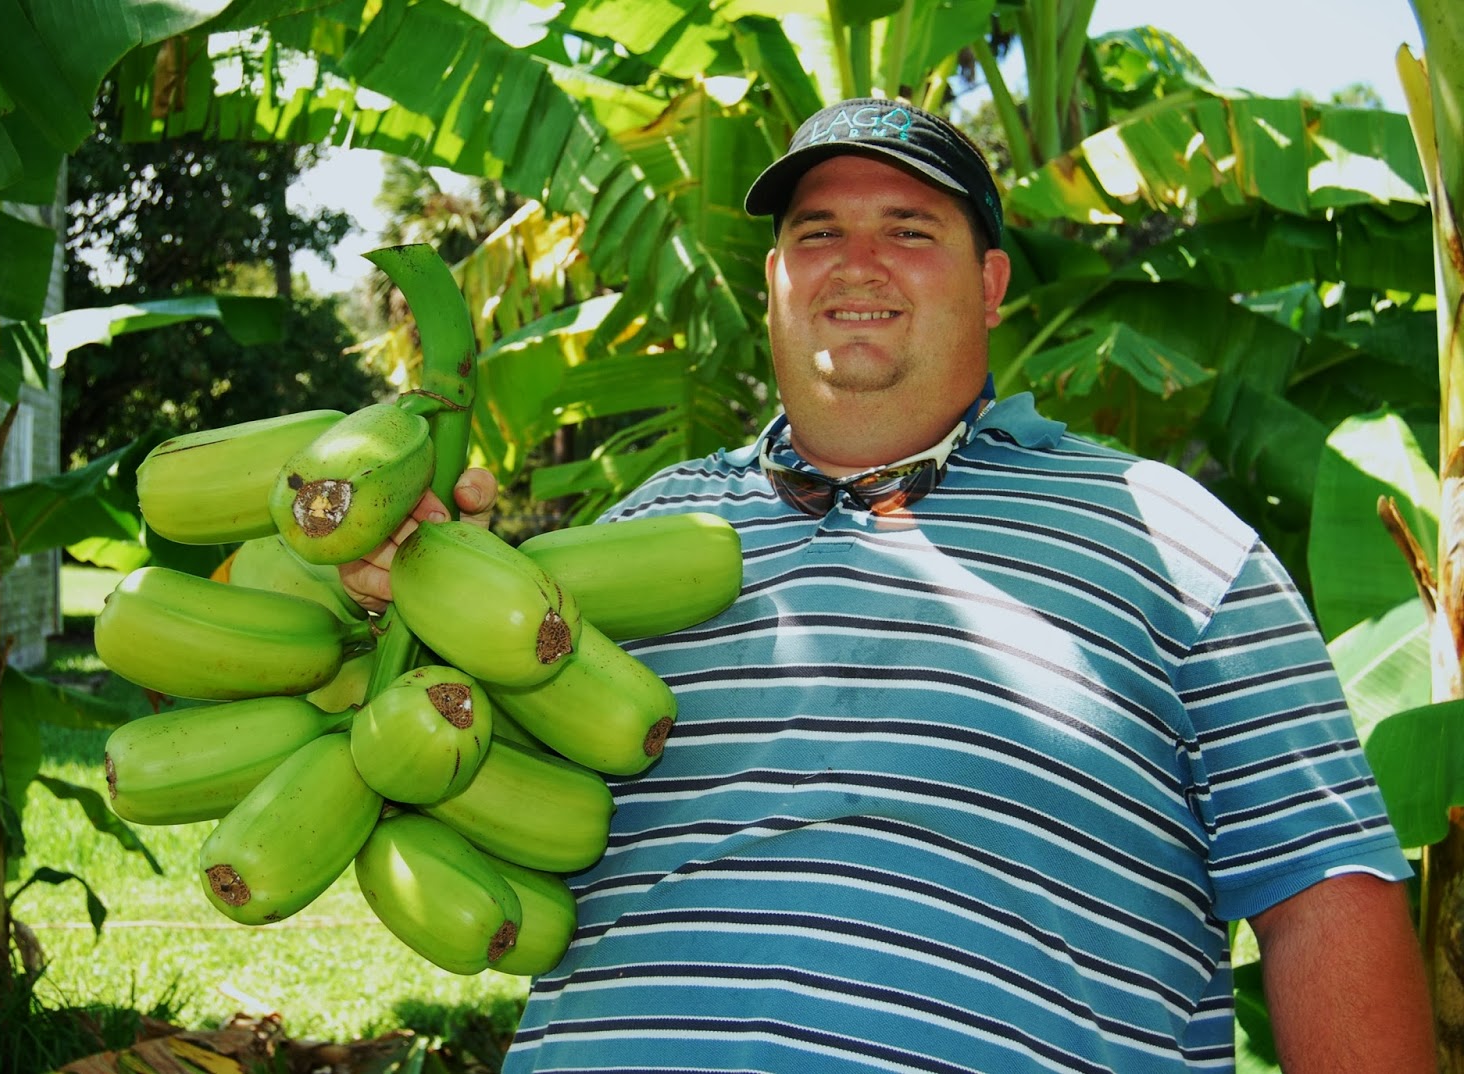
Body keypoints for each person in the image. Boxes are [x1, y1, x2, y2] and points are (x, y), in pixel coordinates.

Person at [348, 98, 1436, 1072]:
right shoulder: (639, 537)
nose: (854, 264)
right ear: (772, 280)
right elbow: (483, 809)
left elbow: (1322, 895)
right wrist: (414, 602)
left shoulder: (1173, 540)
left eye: (909, 233)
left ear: (991, 282)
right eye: (815, 235)